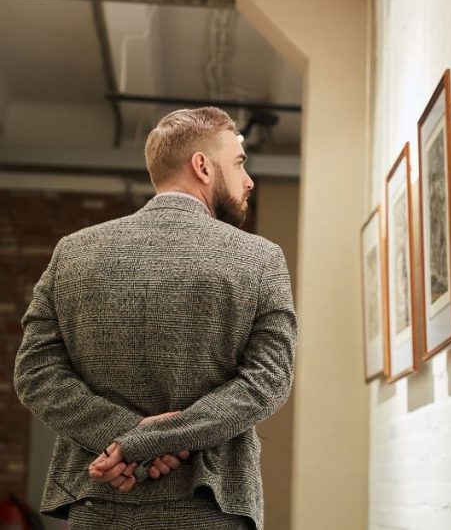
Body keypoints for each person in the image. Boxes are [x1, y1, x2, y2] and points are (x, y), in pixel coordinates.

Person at [13, 107, 298, 529]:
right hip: (212, 505)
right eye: (239, 162)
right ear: (201, 166)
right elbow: (268, 380)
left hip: (100, 502)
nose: (248, 179)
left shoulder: (73, 252)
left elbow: (34, 373)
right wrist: (150, 441)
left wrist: (126, 439)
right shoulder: (260, 258)